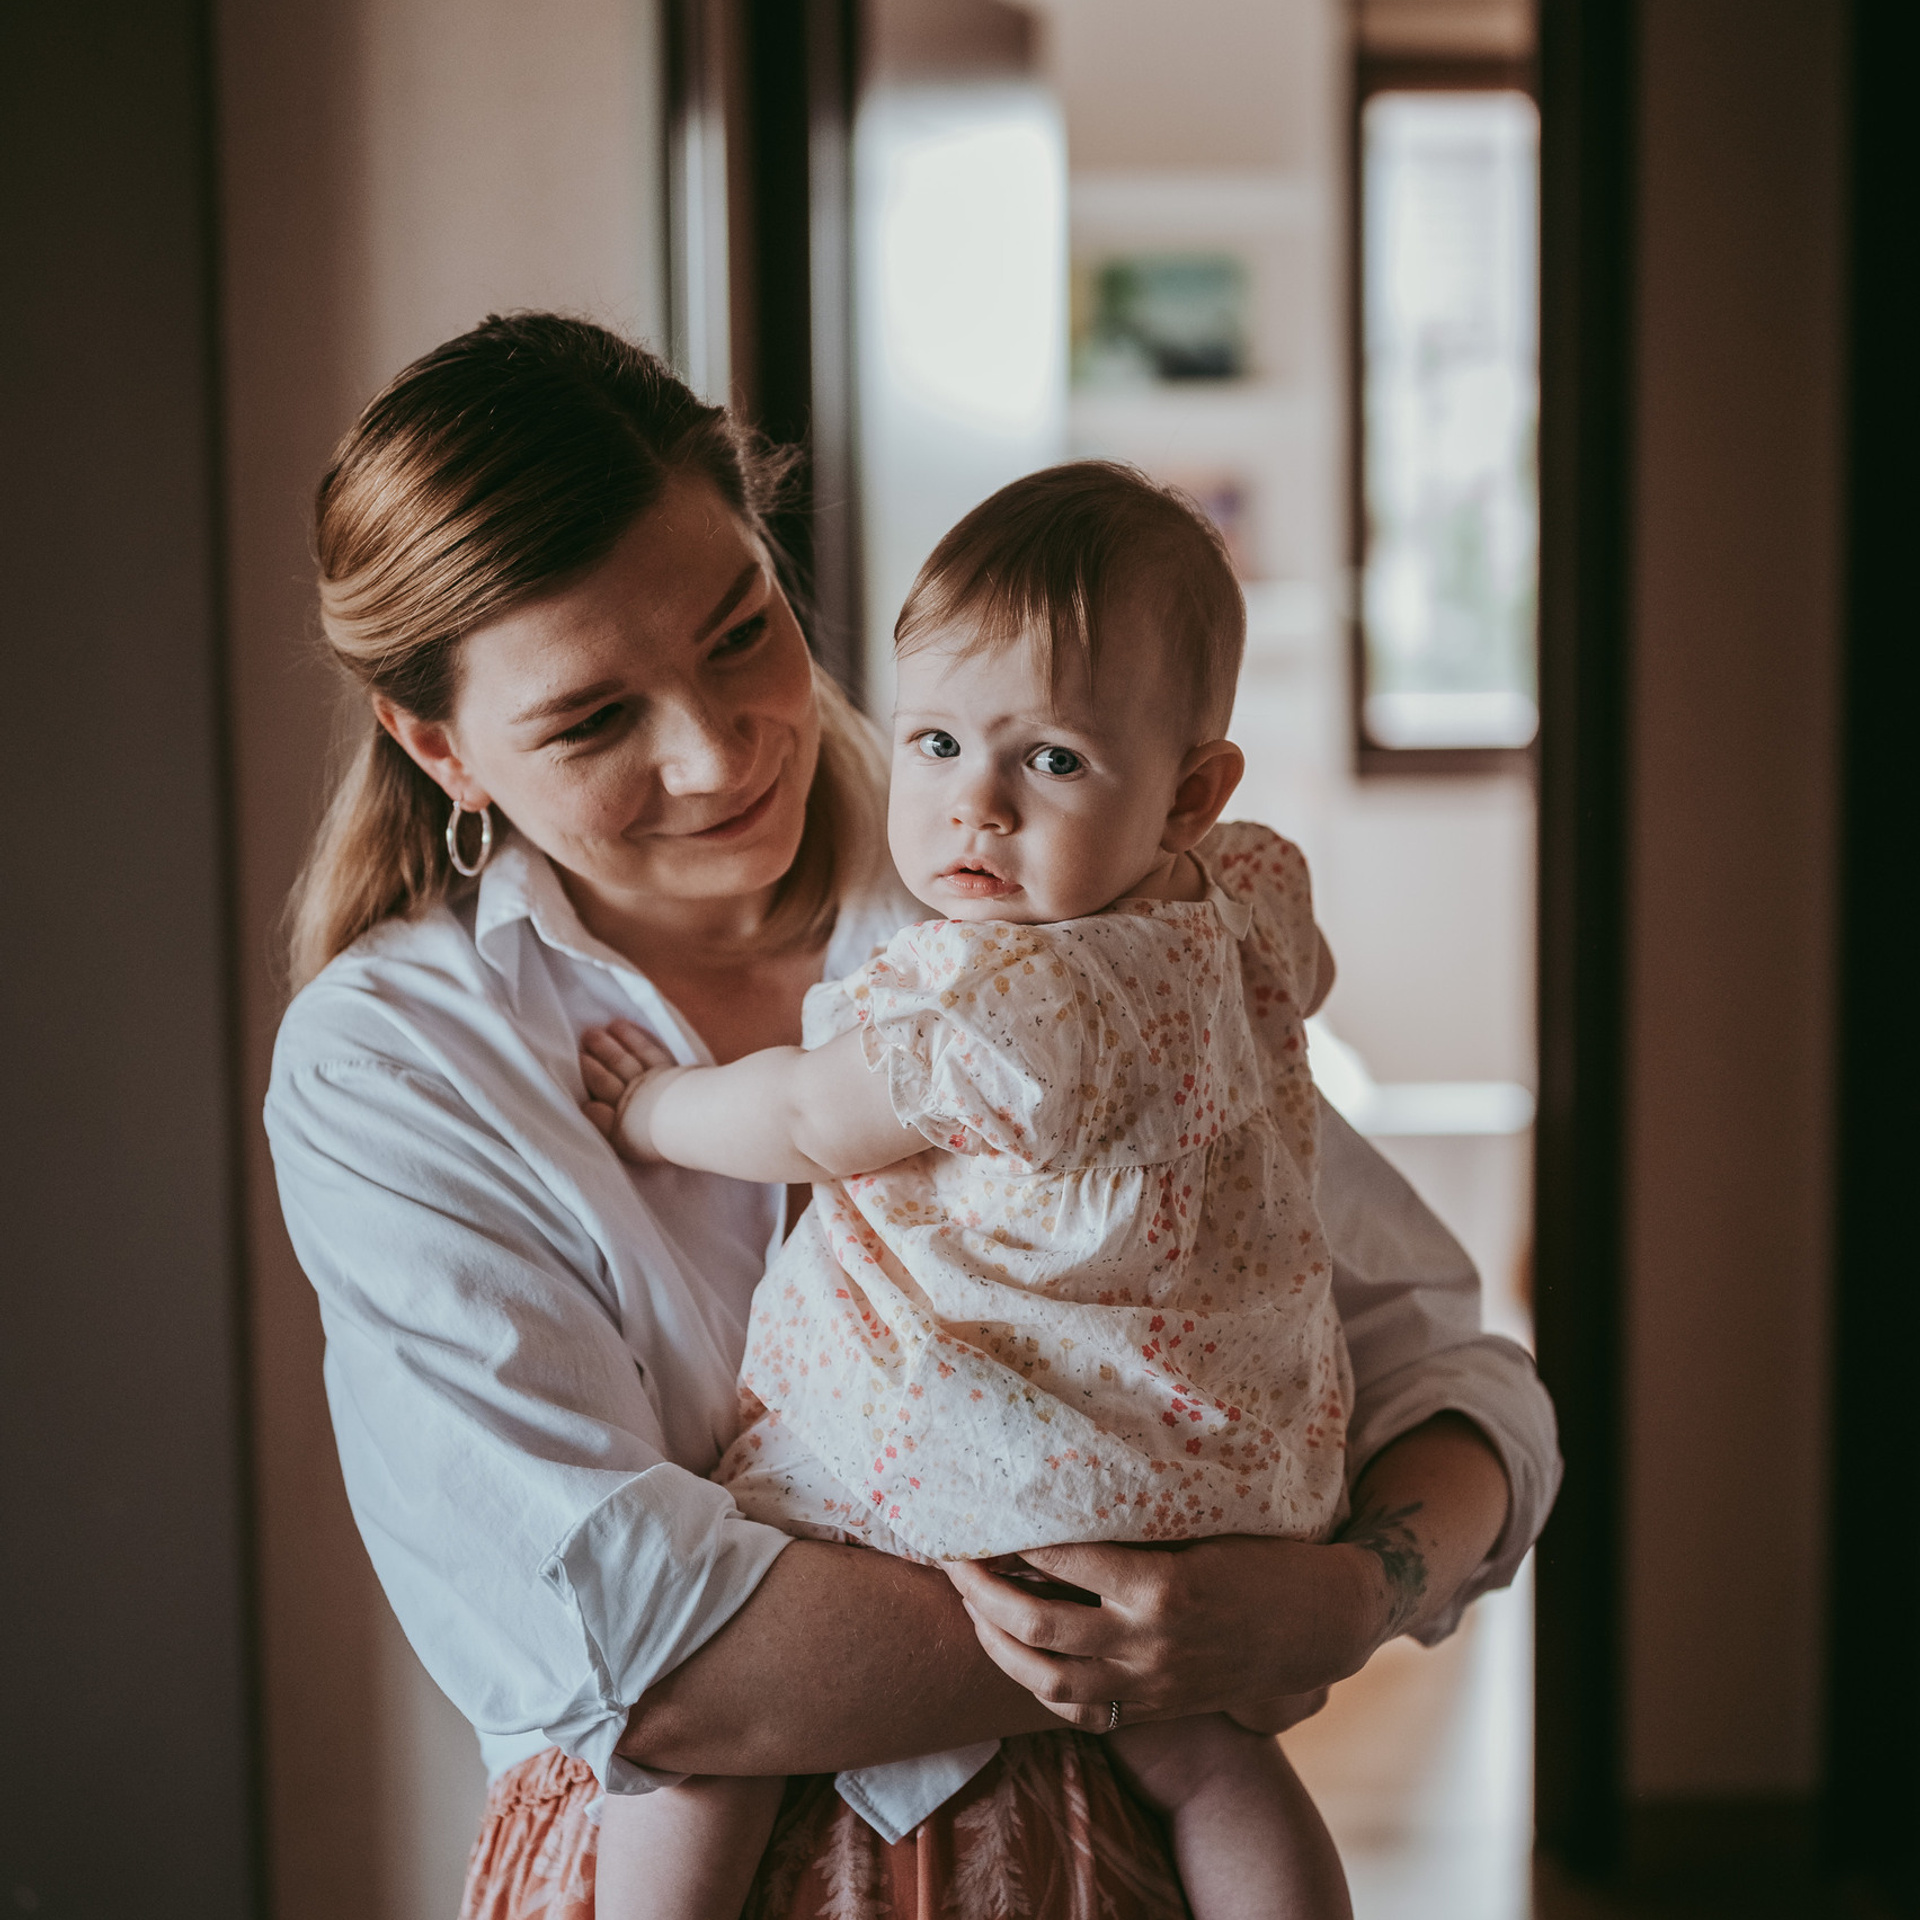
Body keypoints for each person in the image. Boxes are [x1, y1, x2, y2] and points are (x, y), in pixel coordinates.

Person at [265, 313, 1560, 1920]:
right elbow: (643, 1665)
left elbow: (1453, 1381)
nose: (720, 749)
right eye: (596, 720)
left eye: (742, 630)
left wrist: (1338, 1602)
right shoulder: (398, 1062)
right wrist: (1174, 1631)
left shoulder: (1067, 918)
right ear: (436, 743)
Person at [579, 461, 1358, 1920]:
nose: (973, 809)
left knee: (691, 1746)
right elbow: (1299, 985)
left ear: (1190, 788)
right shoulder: (1240, 899)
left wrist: (660, 1104)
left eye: (1050, 761)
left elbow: (812, 1114)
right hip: (1214, 1474)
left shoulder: (1010, 1001)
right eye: (935, 742)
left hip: (1000, 1446)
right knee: (1212, 1764)